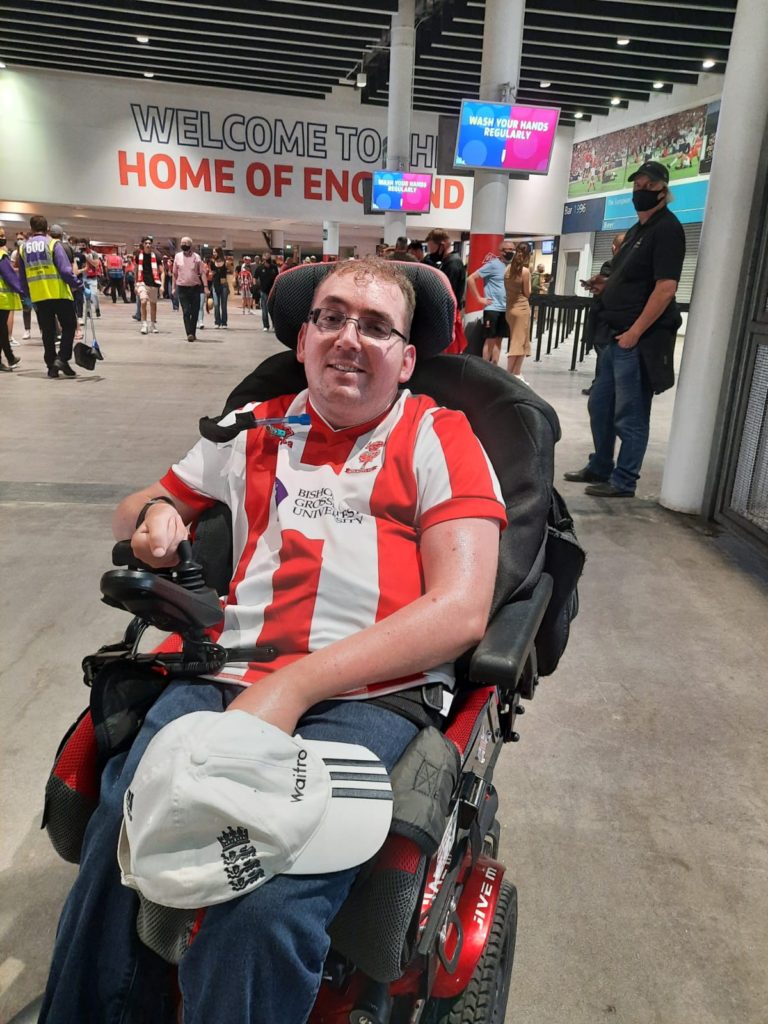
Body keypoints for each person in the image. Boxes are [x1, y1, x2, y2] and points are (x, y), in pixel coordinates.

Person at [39, 257, 506, 1024]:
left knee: (267, 906)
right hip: (223, 671)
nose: (350, 338)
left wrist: (295, 686)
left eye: (376, 326)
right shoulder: (254, 427)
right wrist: (158, 515)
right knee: (122, 848)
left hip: (370, 693)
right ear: (303, 336)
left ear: (408, 357)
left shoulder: (437, 435)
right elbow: (132, 509)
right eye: (332, 317)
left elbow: (459, 610)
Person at [565, 161, 685, 498]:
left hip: (637, 339)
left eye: (647, 186)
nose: (640, 192)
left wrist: (635, 332)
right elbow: (629, 277)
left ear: (663, 191)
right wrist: (604, 284)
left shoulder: (667, 230)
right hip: (614, 337)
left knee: (630, 414)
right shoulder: (637, 230)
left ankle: (624, 480)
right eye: (636, 186)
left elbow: (665, 288)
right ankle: (601, 465)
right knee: (600, 405)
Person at [17, 214, 81, 378]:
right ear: (47, 229)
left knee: (48, 331)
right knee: (69, 326)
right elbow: (65, 270)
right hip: (58, 293)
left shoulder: (23, 248)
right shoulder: (53, 244)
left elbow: (23, 277)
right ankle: (62, 358)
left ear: (31, 229)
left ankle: (52, 365)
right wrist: (77, 283)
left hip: (39, 295)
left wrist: (26, 294)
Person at [467, 238, 516, 363]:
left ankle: (494, 367)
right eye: (508, 250)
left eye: (513, 250)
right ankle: (484, 367)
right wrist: (479, 298)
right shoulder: (493, 264)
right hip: (492, 308)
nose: (511, 252)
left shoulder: (512, 267)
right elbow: (471, 279)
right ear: (501, 251)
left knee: (499, 339)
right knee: (490, 339)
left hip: (505, 309)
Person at [172, 237, 209, 343]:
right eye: (182, 243)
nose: (183, 244)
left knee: (195, 311)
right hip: (182, 288)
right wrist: (174, 288)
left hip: (195, 288)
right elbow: (174, 274)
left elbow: (202, 273)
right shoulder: (177, 257)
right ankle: (189, 333)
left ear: (190, 245)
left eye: (186, 243)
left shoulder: (196, 257)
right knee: (186, 311)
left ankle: (193, 332)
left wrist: (206, 287)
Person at [504, 242, 532, 380]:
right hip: (522, 309)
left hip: (510, 309)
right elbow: (527, 293)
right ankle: (508, 375)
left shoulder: (508, 269)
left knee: (522, 341)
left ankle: (516, 373)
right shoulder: (525, 272)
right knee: (517, 342)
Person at [0, 233, 26, 371]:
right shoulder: (2, 257)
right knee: (1, 329)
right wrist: (23, 291)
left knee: (1, 329)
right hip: (2, 299)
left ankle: (9, 357)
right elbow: (9, 277)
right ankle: (9, 357)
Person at [423, 229, 466, 309]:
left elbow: (446, 294)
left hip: (447, 313)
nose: (431, 254)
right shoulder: (447, 262)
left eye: (432, 250)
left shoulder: (453, 264)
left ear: (442, 246)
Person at [136, 236, 164, 335]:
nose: (148, 245)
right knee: (143, 301)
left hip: (154, 283)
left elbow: (162, 272)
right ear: (143, 244)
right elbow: (136, 270)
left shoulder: (156, 256)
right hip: (142, 283)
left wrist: (162, 285)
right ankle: (144, 324)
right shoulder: (138, 256)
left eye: (149, 243)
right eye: (146, 243)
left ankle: (152, 324)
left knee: (153, 305)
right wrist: (136, 284)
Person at [254, 251, 279, 331]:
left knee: (272, 309)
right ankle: (266, 325)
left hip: (272, 291)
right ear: (263, 260)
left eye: (268, 260)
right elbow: (255, 277)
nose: (267, 262)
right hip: (263, 291)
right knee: (264, 309)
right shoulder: (260, 268)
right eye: (265, 260)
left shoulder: (274, 267)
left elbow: (277, 278)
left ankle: (275, 325)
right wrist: (255, 286)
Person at [210, 246, 230, 329]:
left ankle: (224, 322)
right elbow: (212, 272)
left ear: (219, 252)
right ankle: (217, 322)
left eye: (215, 252)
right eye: (213, 252)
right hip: (215, 284)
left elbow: (229, 270)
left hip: (223, 284)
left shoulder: (226, 261)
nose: (213, 254)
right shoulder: (212, 261)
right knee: (216, 304)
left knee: (224, 305)